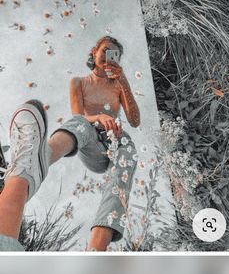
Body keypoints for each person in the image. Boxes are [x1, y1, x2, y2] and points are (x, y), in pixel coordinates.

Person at [0, 36, 140, 251]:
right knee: (82, 123)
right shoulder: (78, 82)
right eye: (105, 51)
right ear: (94, 52)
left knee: (128, 155)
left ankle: (97, 248)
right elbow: (78, 114)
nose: (108, 58)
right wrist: (99, 118)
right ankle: (42, 157)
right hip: (91, 138)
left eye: (115, 56)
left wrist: (124, 83)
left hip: (117, 141)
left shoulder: (118, 86)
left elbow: (135, 120)